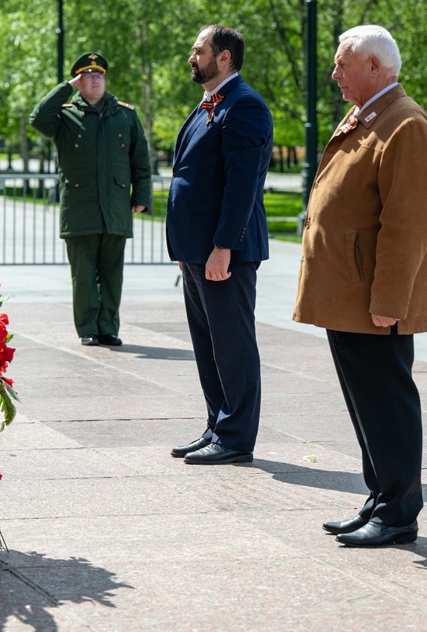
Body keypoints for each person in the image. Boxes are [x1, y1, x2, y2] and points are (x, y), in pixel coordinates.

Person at [293, 25, 427, 547]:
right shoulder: (372, 116)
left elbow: (408, 224)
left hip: (373, 300)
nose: (334, 73)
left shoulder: (406, 124)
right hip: (348, 294)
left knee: (387, 403)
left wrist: (390, 302)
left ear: (376, 67)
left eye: (343, 64)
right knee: (366, 403)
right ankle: (380, 497)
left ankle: (399, 512)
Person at [166, 25, 274, 465]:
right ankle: (217, 425)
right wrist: (186, 249)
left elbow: (241, 186)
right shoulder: (211, 103)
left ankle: (235, 437)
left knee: (233, 344)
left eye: (199, 50)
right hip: (197, 249)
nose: (192, 57)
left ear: (224, 57)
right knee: (209, 344)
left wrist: (223, 246)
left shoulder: (244, 105)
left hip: (223, 250)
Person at [29, 52, 152, 346]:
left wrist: (142, 196)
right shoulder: (65, 115)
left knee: (112, 273)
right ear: (79, 81)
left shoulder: (125, 114)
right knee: (83, 275)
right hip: (80, 208)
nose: (94, 80)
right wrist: (65, 87)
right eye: (87, 76)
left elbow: (141, 160)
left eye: (99, 75)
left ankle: (108, 327)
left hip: (115, 206)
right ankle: (87, 327)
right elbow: (37, 118)